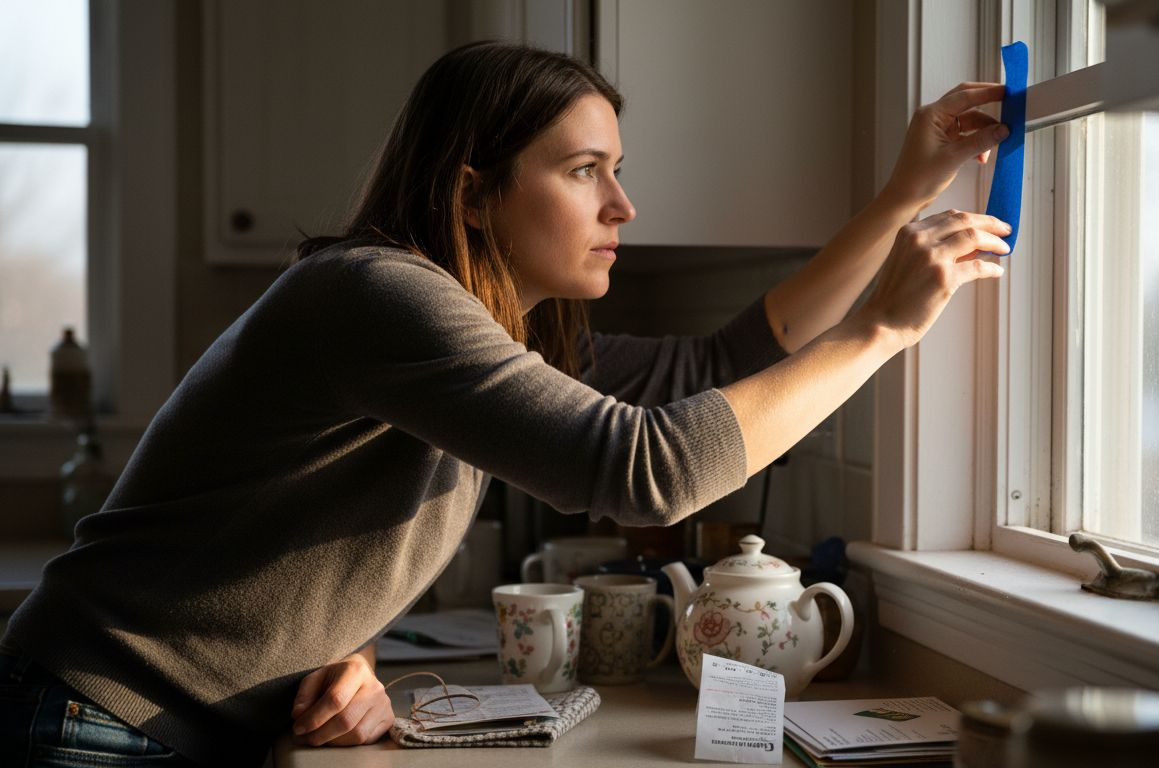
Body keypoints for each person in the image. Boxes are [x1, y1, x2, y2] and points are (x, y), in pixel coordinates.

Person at [0, 41, 1010, 767]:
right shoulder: (377, 292)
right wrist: (885, 329)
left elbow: (725, 361)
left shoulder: (493, 331)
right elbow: (649, 472)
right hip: (92, 721)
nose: (623, 206)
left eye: (618, 172)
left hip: (159, 721)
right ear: (472, 192)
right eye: (585, 172)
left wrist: (901, 195)